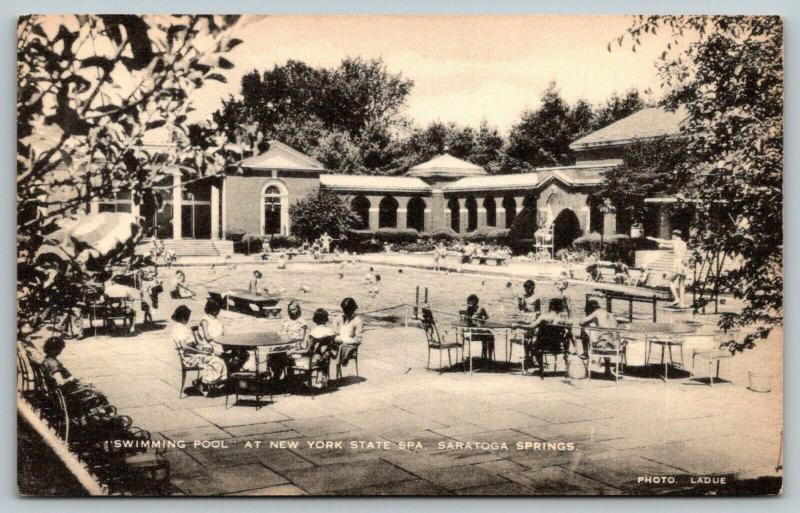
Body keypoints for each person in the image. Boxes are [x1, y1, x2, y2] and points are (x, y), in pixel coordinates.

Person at [171, 305, 226, 396]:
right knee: (218, 361)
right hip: (189, 358)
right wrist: (201, 352)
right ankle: (203, 383)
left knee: (215, 356)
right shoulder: (180, 329)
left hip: (191, 354)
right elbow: (184, 347)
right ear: (184, 317)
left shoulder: (178, 326)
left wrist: (201, 348)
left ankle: (204, 381)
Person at [290, 308, 337, 388]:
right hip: (325, 358)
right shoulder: (331, 331)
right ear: (326, 318)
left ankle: (292, 383)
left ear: (315, 319)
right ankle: (324, 379)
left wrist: (293, 351)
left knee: (290, 358)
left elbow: (308, 350)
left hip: (313, 360)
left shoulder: (314, 332)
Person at [647, 230, 689, 307]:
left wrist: (652, 238)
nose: (672, 237)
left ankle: (676, 298)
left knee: (670, 281)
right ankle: (681, 303)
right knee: (682, 284)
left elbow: (664, 241)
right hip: (684, 264)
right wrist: (663, 246)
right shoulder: (684, 243)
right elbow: (673, 248)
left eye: (672, 235)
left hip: (678, 263)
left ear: (675, 235)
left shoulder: (675, 241)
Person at [579, 300, 621, 373]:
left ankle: (585, 353)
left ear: (591, 309)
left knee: (584, 328)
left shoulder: (596, 313)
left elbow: (581, 322)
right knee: (606, 336)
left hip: (603, 345)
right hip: (615, 346)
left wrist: (589, 322)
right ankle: (607, 368)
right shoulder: (610, 314)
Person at [334, 297, 364, 369]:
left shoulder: (357, 321)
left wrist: (347, 340)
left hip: (350, 343)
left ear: (352, 310)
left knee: (342, 347)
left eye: (347, 311)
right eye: (344, 310)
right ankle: (324, 373)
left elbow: (358, 339)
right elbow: (335, 331)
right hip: (339, 340)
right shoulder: (339, 318)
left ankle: (342, 361)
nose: (345, 313)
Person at [464, 294, 495, 360]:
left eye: (473, 302)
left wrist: (482, 319)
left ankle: (489, 357)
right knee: (487, 335)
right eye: (469, 302)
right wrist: (474, 316)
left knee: (490, 335)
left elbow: (487, 317)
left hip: (480, 330)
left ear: (476, 302)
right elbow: (468, 321)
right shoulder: (469, 310)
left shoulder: (481, 309)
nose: (471, 304)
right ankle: (485, 356)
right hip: (472, 332)